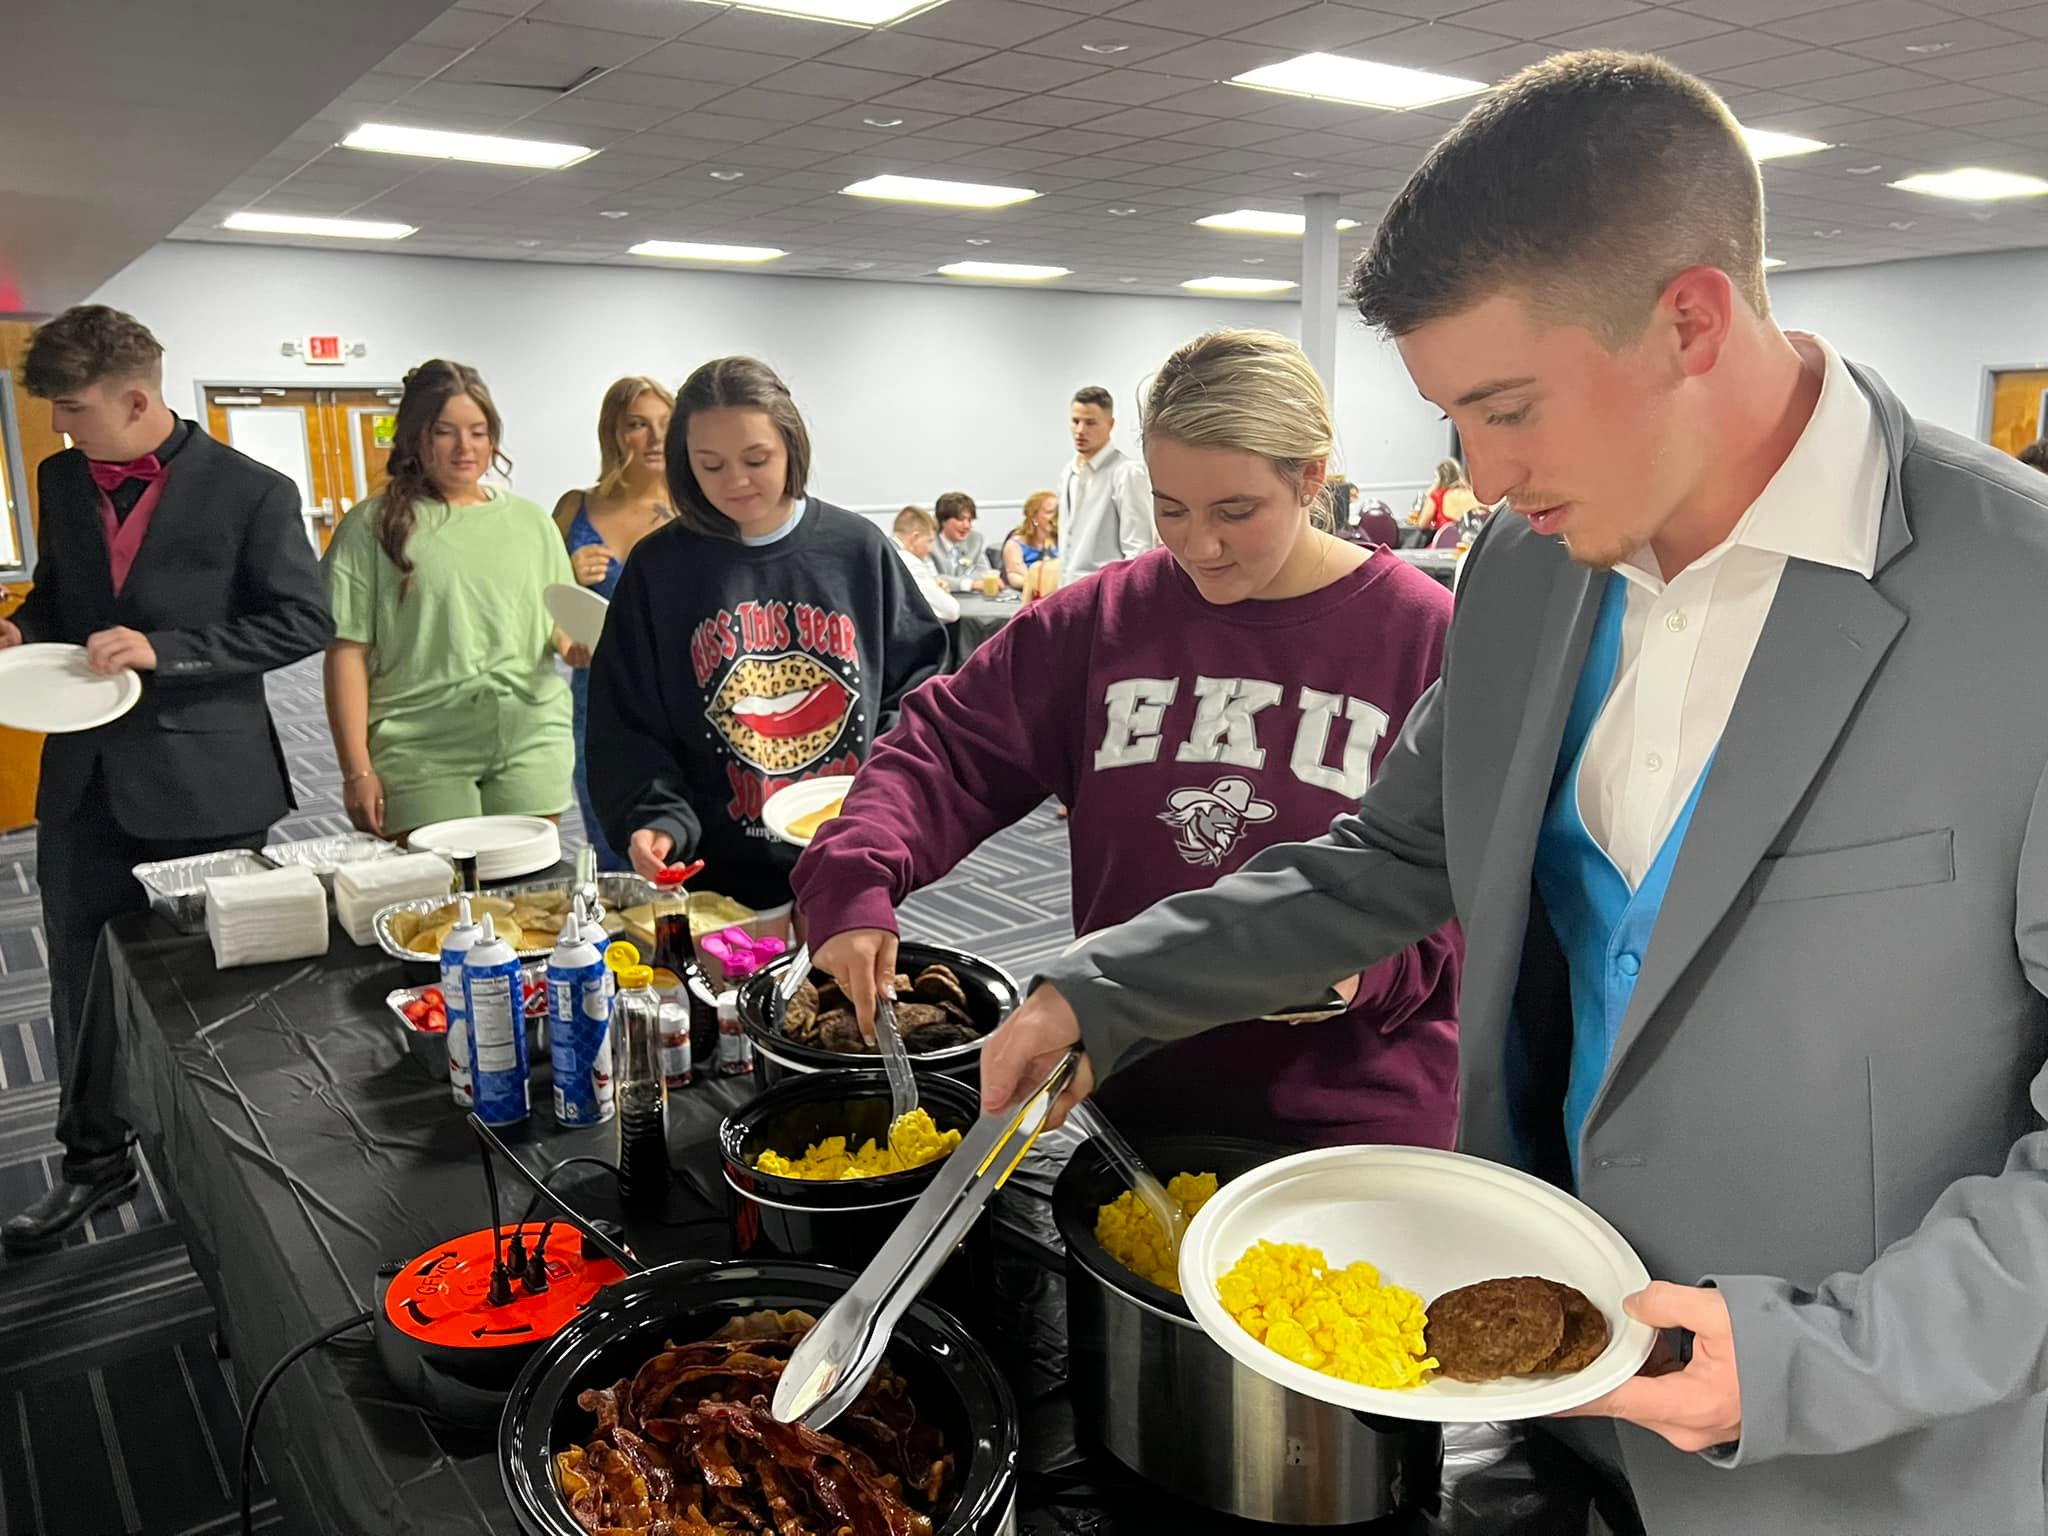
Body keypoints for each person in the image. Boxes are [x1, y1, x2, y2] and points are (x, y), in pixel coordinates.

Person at [981, 50, 2048, 1536]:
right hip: (1541, 1405)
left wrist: (1813, 1362)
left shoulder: (2026, 602)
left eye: (1507, 408)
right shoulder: (1527, 575)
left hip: (1860, 1466)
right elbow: (1388, 859)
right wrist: (1101, 990)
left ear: (1689, 319)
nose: (1480, 478)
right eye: (1451, 425)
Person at [795, 329, 1460, 1151]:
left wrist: (1358, 971)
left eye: (1235, 512)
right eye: (1170, 509)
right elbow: (947, 748)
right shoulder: (1101, 620)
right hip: (1139, 1090)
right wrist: (854, 878)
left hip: (1349, 1114)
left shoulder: (1427, 637)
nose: (1198, 545)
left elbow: (1481, 894)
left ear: (1310, 477)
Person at [0, 306, 331, 1252]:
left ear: (137, 398)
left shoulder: (253, 492)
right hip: (85, 781)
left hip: (208, 786)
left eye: (73, 410)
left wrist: (169, 650)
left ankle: (235, 1177)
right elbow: (63, 591)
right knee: (78, 978)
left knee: (212, 993)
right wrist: (28, 625)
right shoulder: (61, 478)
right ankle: (94, 1165)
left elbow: (299, 623)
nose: (63, 429)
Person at [587, 356, 948, 909]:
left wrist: (883, 789)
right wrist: (656, 816)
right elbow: (626, 721)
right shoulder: (659, 568)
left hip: (849, 850)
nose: (735, 482)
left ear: (791, 447)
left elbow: (919, 685)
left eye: (757, 459)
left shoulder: (856, 549)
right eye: (709, 465)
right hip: (715, 868)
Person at [322, 360, 575, 841]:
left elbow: (555, 623)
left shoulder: (531, 522)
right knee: (438, 900)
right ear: (416, 436)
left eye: (479, 432)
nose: (466, 448)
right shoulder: (370, 527)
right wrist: (356, 771)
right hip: (420, 743)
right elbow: (346, 653)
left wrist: (573, 644)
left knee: (527, 896)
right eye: (446, 432)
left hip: (529, 732)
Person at [552, 376, 676, 870]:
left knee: (673, 838)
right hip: (597, 696)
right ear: (614, 433)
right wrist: (568, 573)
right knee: (608, 829)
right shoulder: (574, 507)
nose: (655, 438)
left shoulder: (696, 509)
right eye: (638, 425)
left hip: (673, 697)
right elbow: (538, 597)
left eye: (665, 424)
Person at [1058, 384, 1154, 579]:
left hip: (1105, 594)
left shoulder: (1127, 472)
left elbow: (1139, 550)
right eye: (1075, 421)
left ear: (1110, 424)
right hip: (1068, 592)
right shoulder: (1069, 472)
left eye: (1090, 422)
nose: (1080, 430)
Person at [891, 505, 961, 622]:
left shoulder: (882, 551)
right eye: (929, 541)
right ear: (915, 537)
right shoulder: (907, 560)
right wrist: (940, 593)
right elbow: (951, 611)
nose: (930, 549)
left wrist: (932, 584)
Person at [1001, 489, 1061, 599]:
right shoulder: (1014, 545)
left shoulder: (1062, 540)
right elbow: (1016, 578)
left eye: (1057, 513)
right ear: (1033, 516)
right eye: (1049, 512)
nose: (1056, 517)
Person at [928, 491, 985, 590]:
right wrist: (969, 584)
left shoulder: (975, 540)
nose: (967, 526)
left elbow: (983, 571)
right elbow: (932, 578)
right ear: (943, 520)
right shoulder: (929, 543)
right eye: (960, 519)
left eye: (970, 520)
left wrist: (957, 582)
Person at [1424, 457, 1483, 530]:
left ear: (1440, 479)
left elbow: (1422, 524)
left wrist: (1431, 489)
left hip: (1444, 540)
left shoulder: (1438, 496)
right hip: (1471, 539)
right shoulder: (1475, 495)